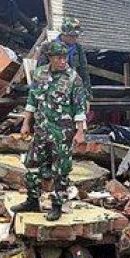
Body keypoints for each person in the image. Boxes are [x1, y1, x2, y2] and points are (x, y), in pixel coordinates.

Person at [12, 41, 87, 221]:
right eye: (59, 58)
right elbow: (32, 101)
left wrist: (80, 132)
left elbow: (80, 108)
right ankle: (32, 200)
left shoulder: (73, 78)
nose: (63, 61)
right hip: (42, 130)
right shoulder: (40, 74)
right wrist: (25, 123)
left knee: (60, 170)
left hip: (63, 133)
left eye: (65, 57)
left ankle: (57, 205)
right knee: (32, 164)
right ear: (50, 58)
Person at [40, 17, 91, 96]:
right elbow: (42, 70)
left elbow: (83, 70)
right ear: (63, 34)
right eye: (72, 36)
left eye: (76, 36)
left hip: (73, 88)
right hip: (53, 89)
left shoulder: (78, 48)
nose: (75, 38)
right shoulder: (49, 47)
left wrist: (87, 90)